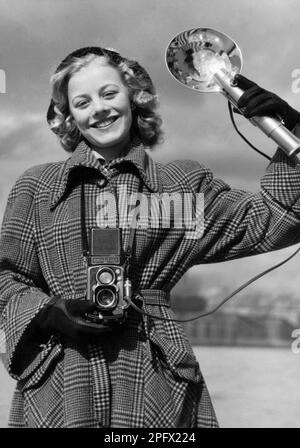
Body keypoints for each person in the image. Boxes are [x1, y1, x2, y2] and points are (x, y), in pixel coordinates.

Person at [0, 46, 300, 429]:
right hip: (60, 381)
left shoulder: (183, 186)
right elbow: (6, 280)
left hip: (157, 382)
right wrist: (47, 315)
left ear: (133, 96)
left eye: (109, 94)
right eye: (82, 102)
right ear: (70, 116)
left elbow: (271, 220)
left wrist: (290, 130)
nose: (99, 110)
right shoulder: (36, 187)